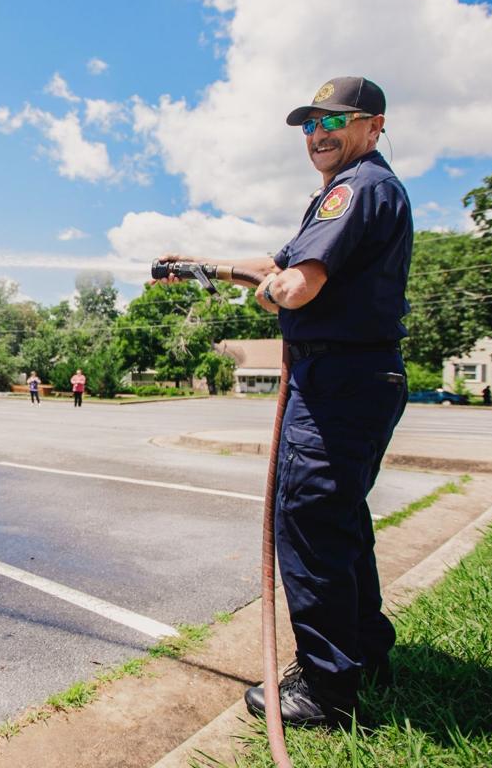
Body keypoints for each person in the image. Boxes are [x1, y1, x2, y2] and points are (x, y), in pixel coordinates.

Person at [161, 77, 411, 729]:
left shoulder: (355, 189)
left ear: (373, 125)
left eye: (334, 122)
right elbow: (278, 260)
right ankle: (363, 655)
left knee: (310, 525)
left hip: (339, 386)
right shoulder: (358, 190)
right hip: (358, 380)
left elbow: (297, 281)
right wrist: (205, 265)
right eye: (309, 126)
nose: (319, 135)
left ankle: (329, 693)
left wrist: (276, 293)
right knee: (340, 521)